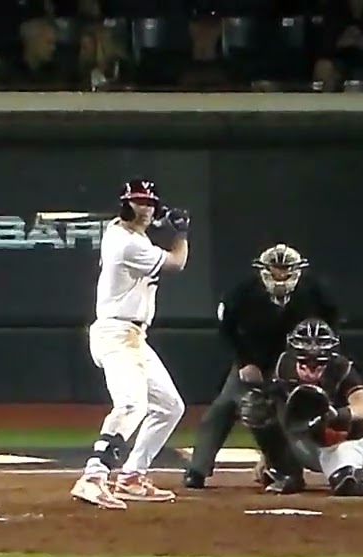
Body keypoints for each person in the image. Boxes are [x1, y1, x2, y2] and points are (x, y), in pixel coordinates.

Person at [71, 179, 191, 510]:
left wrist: (159, 220)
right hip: (118, 333)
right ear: (125, 204)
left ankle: (131, 475)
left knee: (169, 406)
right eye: (138, 202)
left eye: (150, 202)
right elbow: (177, 263)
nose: (145, 208)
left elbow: (141, 228)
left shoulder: (129, 234)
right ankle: (93, 477)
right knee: (130, 406)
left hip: (134, 336)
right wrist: (181, 233)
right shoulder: (127, 243)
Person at [182, 243, 341, 489]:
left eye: (286, 269)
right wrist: (245, 361)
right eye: (276, 269)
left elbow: (331, 327)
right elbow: (227, 330)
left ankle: (290, 468)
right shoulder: (243, 293)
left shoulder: (314, 293)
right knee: (224, 408)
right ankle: (197, 469)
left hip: (296, 365)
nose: (281, 275)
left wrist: (314, 361)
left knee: (290, 417)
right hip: (254, 360)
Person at [240, 318, 363, 496]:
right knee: (256, 407)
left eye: (317, 364)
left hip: (339, 440)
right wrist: (269, 456)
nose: (311, 370)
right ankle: (285, 473)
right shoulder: (284, 366)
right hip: (303, 438)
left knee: (348, 485)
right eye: (306, 362)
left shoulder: (340, 368)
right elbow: (276, 412)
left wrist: (337, 415)